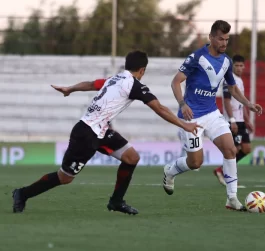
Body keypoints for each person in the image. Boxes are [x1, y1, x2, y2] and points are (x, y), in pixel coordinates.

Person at [12, 50, 200, 214]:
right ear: (142, 70)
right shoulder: (133, 84)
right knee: (65, 178)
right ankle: (22, 193)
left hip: (100, 131)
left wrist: (71, 88)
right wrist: (185, 125)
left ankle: (116, 201)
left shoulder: (116, 78)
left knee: (131, 157)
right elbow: (159, 108)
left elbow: (93, 84)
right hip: (86, 134)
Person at [162, 20, 262, 211]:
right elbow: (176, 82)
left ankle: (232, 198)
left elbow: (232, 88)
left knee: (231, 149)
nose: (224, 43)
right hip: (191, 117)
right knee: (195, 162)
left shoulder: (226, 61)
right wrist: (182, 104)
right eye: (220, 39)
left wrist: (248, 104)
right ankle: (170, 170)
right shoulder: (196, 57)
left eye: (227, 39)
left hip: (212, 114)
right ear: (211, 37)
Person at [213, 55, 254, 186]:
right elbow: (226, 101)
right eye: (236, 65)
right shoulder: (228, 80)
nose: (239, 68)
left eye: (241, 65)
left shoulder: (240, 81)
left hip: (241, 120)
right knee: (234, 149)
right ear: (232, 66)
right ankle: (228, 175)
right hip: (232, 121)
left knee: (247, 149)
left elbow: (241, 102)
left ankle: (223, 170)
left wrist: (247, 119)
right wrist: (232, 120)